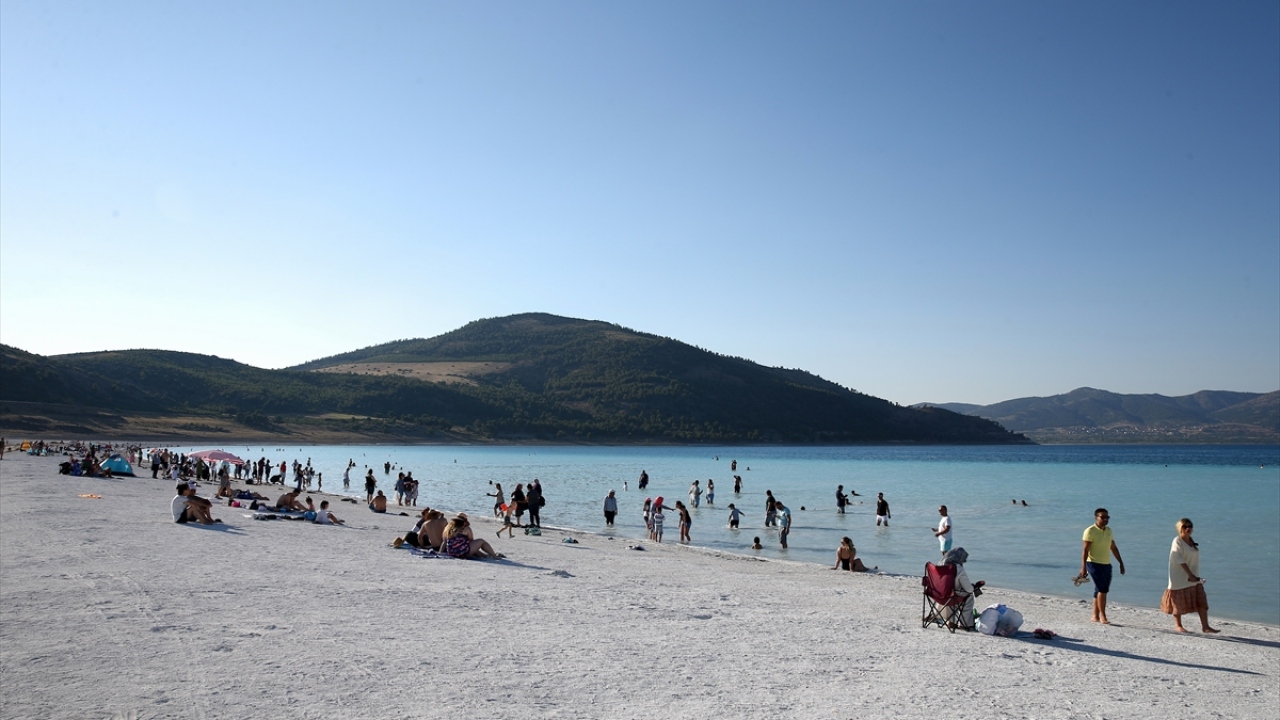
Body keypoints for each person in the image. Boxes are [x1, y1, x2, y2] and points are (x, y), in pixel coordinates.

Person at [1161, 518, 1219, 634]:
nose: (1188, 528)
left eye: (1190, 526)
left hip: (1194, 576)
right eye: (1185, 526)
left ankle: (1205, 626)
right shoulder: (1177, 541)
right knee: (1178, 601)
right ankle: (1178, 625)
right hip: (1180, 576)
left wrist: (1194, 576)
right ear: (1180, 528)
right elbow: (1179, 559)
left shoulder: (1192, 542)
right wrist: (1190, 575)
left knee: (1201, 600)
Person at [1080, 507, 1126, 625]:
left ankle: (1095, 616)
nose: (1105, 519)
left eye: (1107, 517)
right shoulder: (1090, 531)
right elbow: (1085, 550)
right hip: (1093, 563)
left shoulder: (1109, 531)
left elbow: (1113, 548)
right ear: (1096, 518)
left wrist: (1120, 562)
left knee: (1099, 590)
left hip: (1106, 564)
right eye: (1103, 517)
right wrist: (1083, 567)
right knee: (1103, 589)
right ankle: (1103, 616)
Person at [941, 547, 984, 629]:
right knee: (969, 596)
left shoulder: (941, 564)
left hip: (940, 593)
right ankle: (965, 624)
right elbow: (969, 589)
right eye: (963, 559)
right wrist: (974, 587)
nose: (964, 561)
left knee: (951, 596)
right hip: (954, 594)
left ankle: (951, 621)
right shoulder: (958, 568)